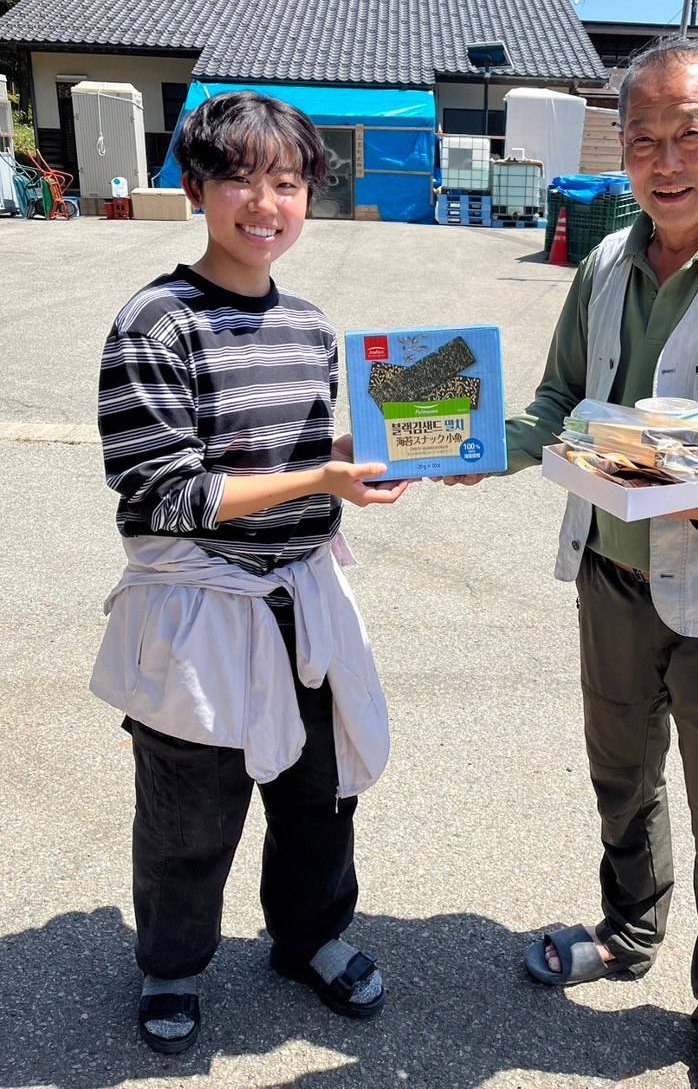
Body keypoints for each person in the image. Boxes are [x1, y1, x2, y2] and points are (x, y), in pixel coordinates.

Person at [452, 37, 698, 1089]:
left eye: (689, 133)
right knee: (622, 777)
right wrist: (476, 445)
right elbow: (558, 402)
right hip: (612, 576)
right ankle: (628, 933)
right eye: (643, 140)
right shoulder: (602, 267)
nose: (665, 161)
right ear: (621, 151)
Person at [91, 91, 410, 1056]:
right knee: (189, 811)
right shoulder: (156, 323)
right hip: (199, 606)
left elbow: (305, 456)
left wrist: (371, 454)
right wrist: (321, 478)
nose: (265, 203)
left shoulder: (313, 327)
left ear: (310, 194)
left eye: (288, 181)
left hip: (303, 597)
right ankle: (172, 964)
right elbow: (165, 493)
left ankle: (310, 939)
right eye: (239, 178)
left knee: (321, 793)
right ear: (195, 187)